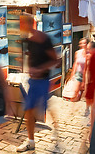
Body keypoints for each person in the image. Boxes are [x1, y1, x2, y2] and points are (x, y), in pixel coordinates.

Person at [17, 15, 59, 152]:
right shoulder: (30, 40)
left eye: (22, 23)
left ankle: (56, 129)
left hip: (43, 81)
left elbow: (55, 61)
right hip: (33, 81)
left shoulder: (44, 39)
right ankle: (31, 141)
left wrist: (40, 69)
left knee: (46, 107)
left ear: (30, 23)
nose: (20, 26)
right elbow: (33, 56)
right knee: (29, 110)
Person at [69, 37, 89, 101]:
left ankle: (78, 100)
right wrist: (72, 73)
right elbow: (76, 63)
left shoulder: (90, 54)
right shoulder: (78, 52)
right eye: (81, 43)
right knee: (76, 89)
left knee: (83, 91)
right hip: (79, 73)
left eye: (84, 43)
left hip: (87, 75)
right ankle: (75, 100)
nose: (83, 45)